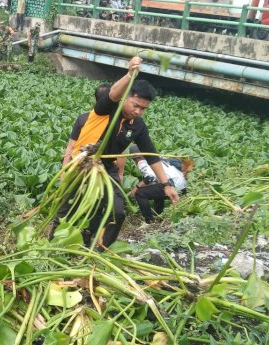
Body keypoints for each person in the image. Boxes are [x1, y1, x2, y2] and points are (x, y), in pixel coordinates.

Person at [54, 56, 180, 248]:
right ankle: (54, 246)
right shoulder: (105, 110)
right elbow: (113, 93)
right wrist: (130, 74)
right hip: (82, 163)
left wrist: (166, 184)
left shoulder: (137, 125)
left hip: (105, 167)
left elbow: (151, 154)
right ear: (125, 97)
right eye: (135, 105)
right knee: (67, 207)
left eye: (143, 109)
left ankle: (97, 247)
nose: (138, 111)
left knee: (117, 211)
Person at [128, 145, 193, 223]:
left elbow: (150, 178)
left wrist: (136, 187)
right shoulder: (158, 157)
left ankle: (149, 220)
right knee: (155, 188)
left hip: (172, 187)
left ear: (134, 158)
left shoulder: (141, 162)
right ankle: (158, 212)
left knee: (140, 193)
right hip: (182, 187)